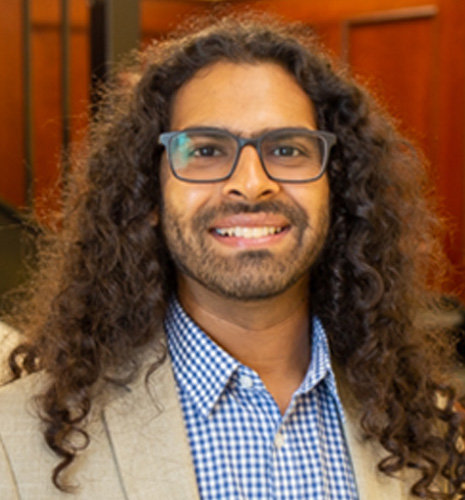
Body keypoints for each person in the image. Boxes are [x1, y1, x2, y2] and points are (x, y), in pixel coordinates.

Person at [0, 13, 464, 499]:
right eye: (205, 151)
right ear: (148, 195)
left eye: (286, 149)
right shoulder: (18, 440)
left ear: (337, 189)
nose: (250, 183)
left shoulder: (428, 430)